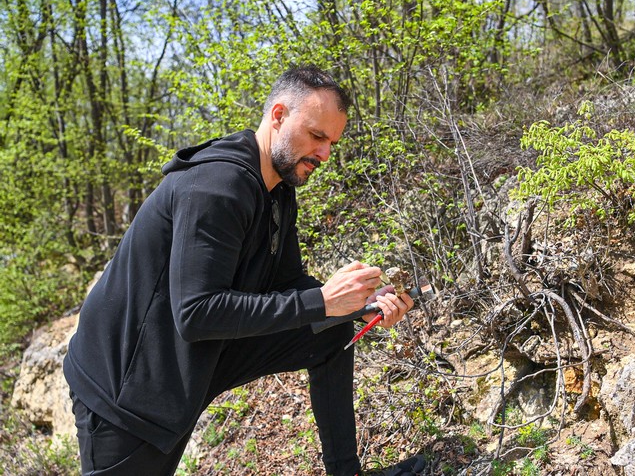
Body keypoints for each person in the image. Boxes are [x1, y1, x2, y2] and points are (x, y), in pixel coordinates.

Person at [63, 65, 426, 476]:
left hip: (192, 359)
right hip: (126, 389)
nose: (325, 154)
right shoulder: (216, 186)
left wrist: (357, 304)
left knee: (330, 329)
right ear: (278, 116)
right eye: (317, 136)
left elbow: (287, 285)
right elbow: (196, 313)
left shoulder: (277, 189)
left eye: (332, 143)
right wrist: (323, 301)